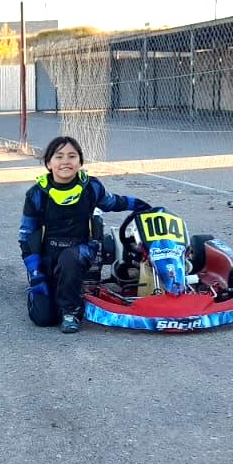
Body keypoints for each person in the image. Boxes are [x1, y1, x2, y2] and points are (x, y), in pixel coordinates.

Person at [18, 136, 154, 334]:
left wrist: (141, 205)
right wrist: (35, 273)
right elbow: (26, 237)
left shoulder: (91, 187)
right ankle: (42, 288)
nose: (66, 161)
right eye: (59, 156)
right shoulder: (36, 194)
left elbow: (112, 202)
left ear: (80, 162)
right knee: (44, 318)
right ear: (49, 163)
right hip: (49, 251)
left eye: (72, 156)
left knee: (69, 260)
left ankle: (71, 312)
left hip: (82, 248)